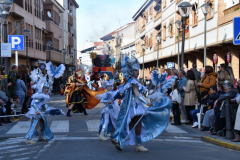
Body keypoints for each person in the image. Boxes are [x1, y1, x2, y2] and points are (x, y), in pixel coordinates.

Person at [111, 56, 172, 152]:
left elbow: (123, 92)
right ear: (131, 71)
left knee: (130, 124)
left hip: (132, 105)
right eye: (135, 70)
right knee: (137, 124)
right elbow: (137, 94)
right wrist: (146, 102)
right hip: (135, 106)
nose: (137, 72)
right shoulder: (133, 81)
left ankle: (119, 139)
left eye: (137, 70)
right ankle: (136, 144)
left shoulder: (132, 81)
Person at [25, 62, 65, 144]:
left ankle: (40, 137)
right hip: (36, 112)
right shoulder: (39, 95)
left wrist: (49, 109)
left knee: (43, 124)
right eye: (45, 88)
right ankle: (28, 139)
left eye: (47, 88)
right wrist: (36, 111)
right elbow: (34, 103)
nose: (46, 89)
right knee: (35, 125)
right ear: (42, 88)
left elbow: (44, 104)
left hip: (41, 111)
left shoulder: (45, 95)